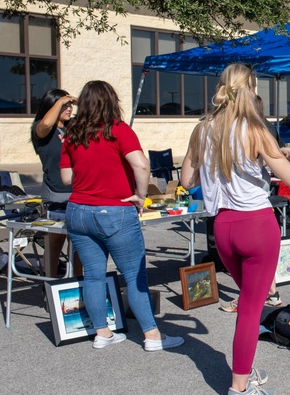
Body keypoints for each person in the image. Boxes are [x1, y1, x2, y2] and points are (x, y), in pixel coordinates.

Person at [181, 63, 290, 395]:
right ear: (249, 89)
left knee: (249, 304)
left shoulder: (203, 129)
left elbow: (187, 180)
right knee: (251, 308)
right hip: (257, 225)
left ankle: (244, 371)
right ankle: (239, 388)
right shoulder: (255, 130)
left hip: (223, 228)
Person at [60, 80, 183, 352]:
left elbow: (67, 178)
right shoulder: (118, 130)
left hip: (78, 211)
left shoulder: (72, 134)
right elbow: (141, 163)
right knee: (133, 276)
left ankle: (102, 332)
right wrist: (140, 195)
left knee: (93, 275)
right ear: (111, 101)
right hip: (114, 210)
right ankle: (152, 336)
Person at [32, 88, 77, 277]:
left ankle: (77, 281)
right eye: (64, 105)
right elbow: (46, 123)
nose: (69, 109)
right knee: (55, 243)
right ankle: (50, 284)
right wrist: (60, 101)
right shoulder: (41, 128)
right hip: (55, 193)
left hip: (77, 192)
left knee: (77, 244)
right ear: (52, 105)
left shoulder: (72, 127)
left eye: (70, 105)